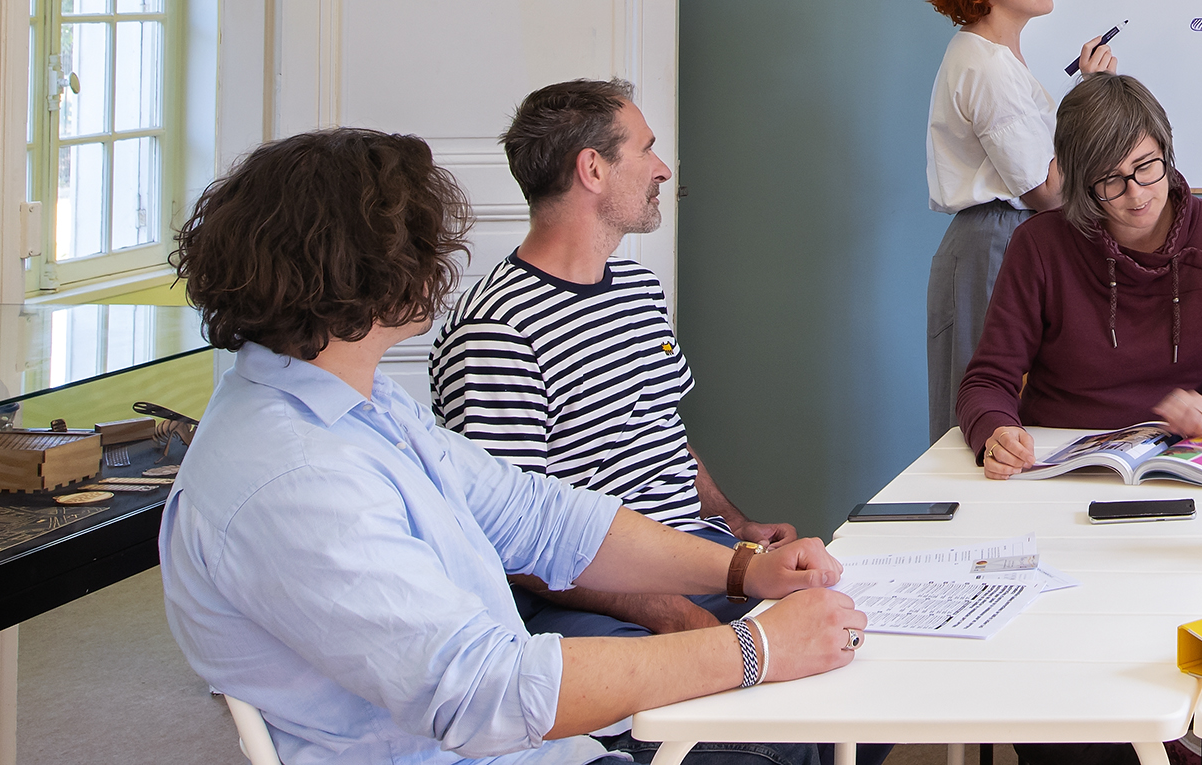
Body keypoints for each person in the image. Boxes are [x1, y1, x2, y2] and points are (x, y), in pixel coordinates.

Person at [162, 127, 866, 765]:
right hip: (495, 745)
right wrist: (759, 647)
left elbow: (544, 517)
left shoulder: (361, 408)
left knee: (850, 701)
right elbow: (480, 693)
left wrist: (745, 571)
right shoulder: (294, 477)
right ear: (373, 269)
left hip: (539, 745)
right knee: (830, 725)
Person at [434, 79, 796, 640]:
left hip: (694, 558)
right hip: (594, 593)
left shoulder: (636, 288)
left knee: (854, 633)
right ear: (593, 169)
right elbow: (509, 539)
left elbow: (658, 431)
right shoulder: (496, 330)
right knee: (767, 706)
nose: (663, 170)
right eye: (646, 149)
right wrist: (677, 617)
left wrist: (737, 526)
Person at [958, 71, 1202, 478]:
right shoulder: (1038, 244)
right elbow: (986, 380)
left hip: (1182, 463)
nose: (1136, 193)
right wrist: (997, 430)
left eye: (1146, 166)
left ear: (1166, 150)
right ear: (1081, 183)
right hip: (1061, 462)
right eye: (1110, 179)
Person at [923, 0, 1117, 443]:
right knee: (987, 420)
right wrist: (1095, 96)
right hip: (995, 240)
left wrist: (1084, 91)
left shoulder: (999, 61)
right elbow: (1049, 190)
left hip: (1007, 239)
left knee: (1012, 411)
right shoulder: (985, 66)